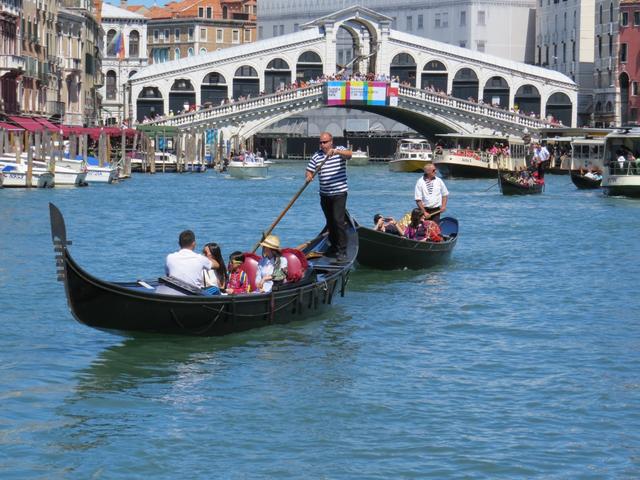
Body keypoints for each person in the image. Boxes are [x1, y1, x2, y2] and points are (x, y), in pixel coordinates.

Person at [306, 132, 352, 264]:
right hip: (325, 194)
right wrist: (309, 176)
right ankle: (333, 246)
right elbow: (309, 169)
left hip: (339, 193)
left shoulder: (340, 150)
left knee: (338, 221)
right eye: (320, 142)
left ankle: (342, 251)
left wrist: (336, 152)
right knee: (330, 222)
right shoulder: (317, 156)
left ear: (331, 142)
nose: (322, 145)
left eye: (324, 142)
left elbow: (350, 155)